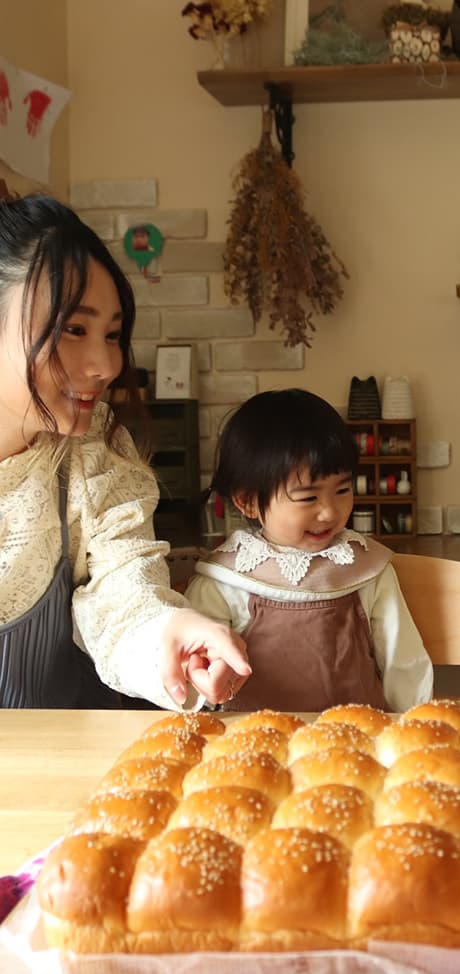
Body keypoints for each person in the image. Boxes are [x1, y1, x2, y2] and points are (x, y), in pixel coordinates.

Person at [0, 194, 250, 709]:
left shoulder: (93, 452)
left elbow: (124, 591)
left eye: (112, 335)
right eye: (73, 329)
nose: (105, 364)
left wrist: (169, 633)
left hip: (62, 775)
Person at [184, 389, 433, 712]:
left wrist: (409, 724)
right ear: (246, 500)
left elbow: (403, 660)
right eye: (308, 498)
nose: (329, 512)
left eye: (342, 489)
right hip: (257, 744)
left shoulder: (367, 568)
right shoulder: (224, 580)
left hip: (359, 738)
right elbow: (195, 674)